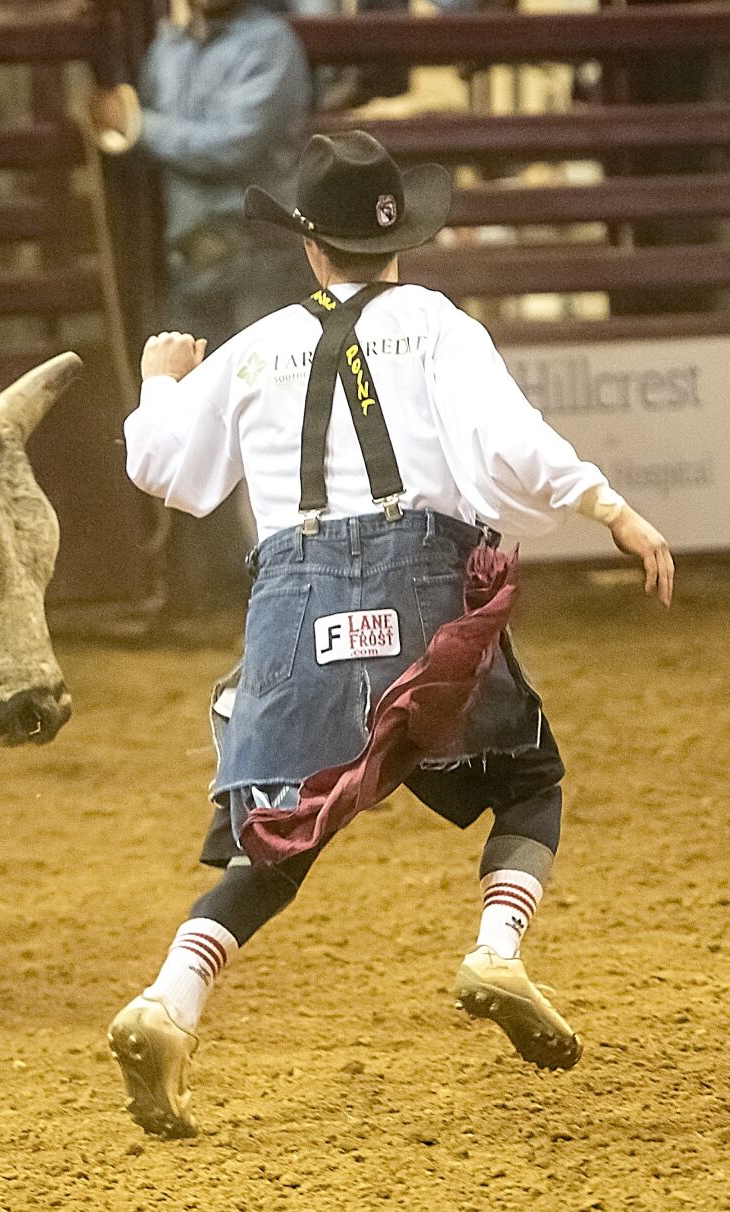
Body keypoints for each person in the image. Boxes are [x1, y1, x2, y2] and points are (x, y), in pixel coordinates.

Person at [107, 130, 675, 1140]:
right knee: (525, 779)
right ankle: (496, 947)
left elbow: (161, 466)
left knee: (281, 832)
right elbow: (506, 441)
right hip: (423, 589)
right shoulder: (436, 325)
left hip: (293, 595)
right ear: (399, 240)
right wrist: (608, 508)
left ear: (310, 249)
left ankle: (167, 1003)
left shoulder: (255, 346)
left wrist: (159, 377)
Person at [90, 0, 317, 614]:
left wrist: (141, 128)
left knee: (272, 413)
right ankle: (228, 575)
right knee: (212, 412)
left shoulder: (268, 42)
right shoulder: (172, 41)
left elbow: (236, 146)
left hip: (256, 253)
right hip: (199, 256)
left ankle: (287, 567)